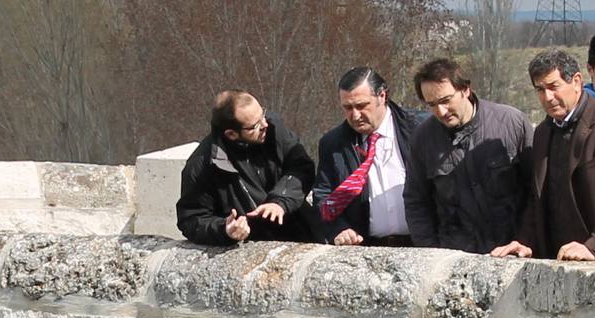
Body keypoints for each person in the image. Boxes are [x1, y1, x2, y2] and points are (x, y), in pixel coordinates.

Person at [492, 49, 595, 262]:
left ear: (577, 81)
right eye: (540, 90)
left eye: (554, 87)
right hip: (566, 264)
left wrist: (594, 246)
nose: (548, 97)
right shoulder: (543, 133)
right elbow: (538, 199)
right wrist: (525, 241)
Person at [403, 57, 532, 253]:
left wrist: (526, 240)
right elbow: (417, 202)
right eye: (432, 104)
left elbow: (536, 191)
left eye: (446, 100)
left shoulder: (511, 124)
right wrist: (430, 253)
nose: (441, 111)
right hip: (455, 257)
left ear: (465, 90)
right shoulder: (423, 139)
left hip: (513, 252)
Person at [176, 89, 318, 245]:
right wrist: (225, 229)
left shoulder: (273, 129)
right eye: (255, 126)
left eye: (262, 114)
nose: (264, 124)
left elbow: (302, 167)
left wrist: (280, 201)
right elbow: (191, 219)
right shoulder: (202, 166)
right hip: (251, 246)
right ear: (231, 134)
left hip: (301, 232)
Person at [313, 67, 424, 247]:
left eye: (362, 105)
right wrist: (338, 229)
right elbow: (323, 197)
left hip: (422, 245)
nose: (355, 115)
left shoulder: (420, 129)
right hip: (366, 248)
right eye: (348, 108)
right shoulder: (333, 144)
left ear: (382, 96)